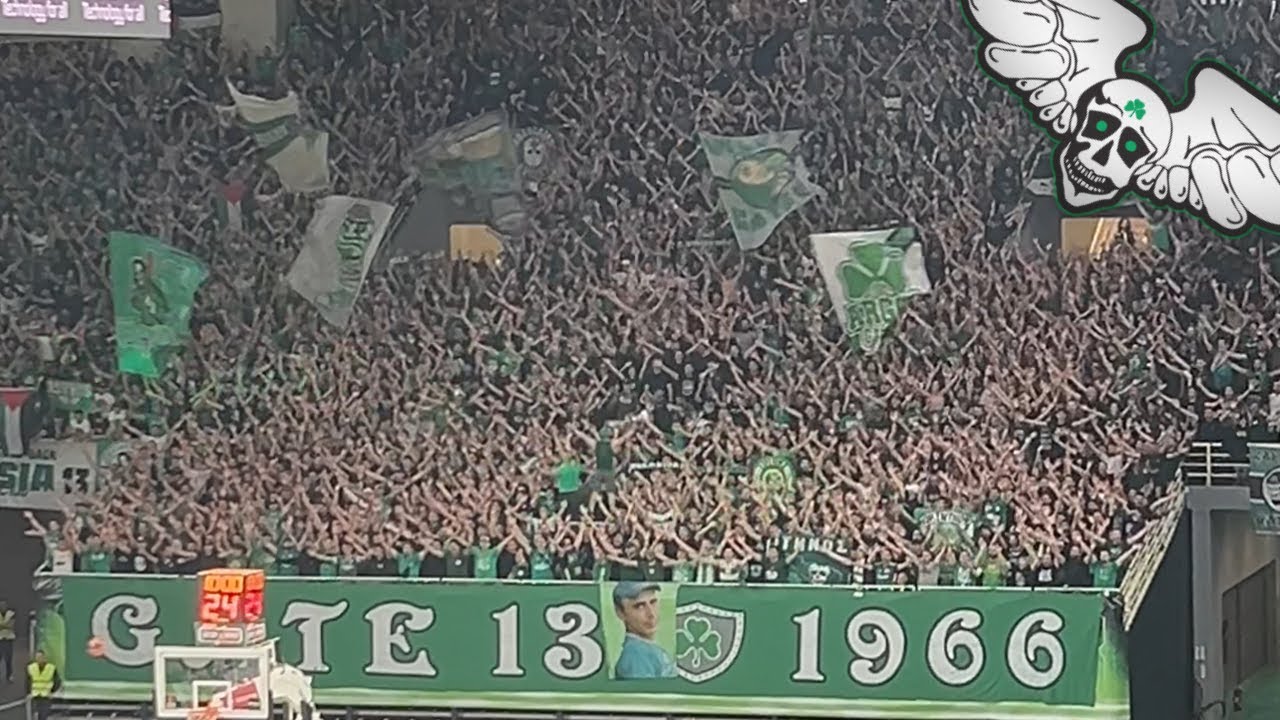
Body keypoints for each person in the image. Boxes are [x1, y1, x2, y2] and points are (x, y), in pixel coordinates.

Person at [611, 581, 676, 679]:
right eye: (639, 606)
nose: (651, 614)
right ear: (620, 613)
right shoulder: (635, 655)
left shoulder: (644, 649)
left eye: (653, 602)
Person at [26, 649, 60, 720]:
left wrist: (52, 692)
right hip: (35, 695)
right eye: (37, 657)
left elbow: (57, 681)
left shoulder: (51, 667)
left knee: (44, 715)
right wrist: (28, 693)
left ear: (44, 658)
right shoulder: (31, 667)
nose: (39, 659)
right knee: (35, 715)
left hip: (46, 696)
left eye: (40, 657)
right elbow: (28, 681)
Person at [0, 599, 13, 682]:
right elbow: (8, 625)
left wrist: (2, 626)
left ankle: (9, 676)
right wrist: (6, 625)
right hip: (0, 639)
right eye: (1, 605)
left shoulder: (11, 614)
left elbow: (11, 625)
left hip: (8, 639)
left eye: (4, 605)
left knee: (8, 658)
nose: (3, 606)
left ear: (6, 606)